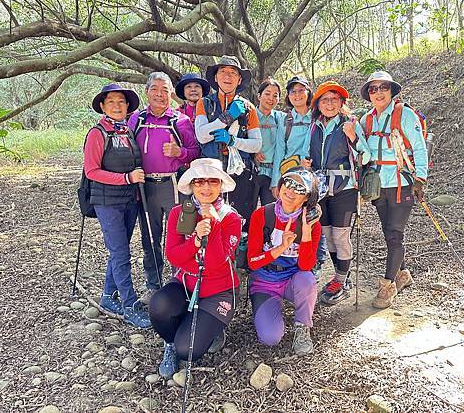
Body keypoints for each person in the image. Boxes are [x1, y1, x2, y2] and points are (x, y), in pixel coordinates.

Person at [148, 158, 242, 379]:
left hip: (218, 290)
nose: (206, 188)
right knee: (159, 306)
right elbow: (173, 255)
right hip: (185, 283)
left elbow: (216, 264)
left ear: (221, 185)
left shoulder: (231, 218)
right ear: (191, 185)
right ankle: (170, 342)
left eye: (212, 181)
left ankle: (213, 328)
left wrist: (214, 225)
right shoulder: (179, 213)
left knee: (188, 351)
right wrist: (196, 241)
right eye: (199, 182)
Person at [127, 72, 200, 304]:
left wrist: (180, 153)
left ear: (171, 94)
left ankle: (181, 284)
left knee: (183, 235)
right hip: (146, 187)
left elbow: (195, 152)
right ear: (147, 91)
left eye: (165, 90)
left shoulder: (181, 121)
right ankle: (154, 286)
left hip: (175, 184)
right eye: (155, 89)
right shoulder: (136, 120)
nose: (160, 94)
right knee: (150, 239)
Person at [83, 83, 151, 329]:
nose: (117, 105)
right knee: (121, 254)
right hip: (107, 202)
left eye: (121, 101)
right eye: (111, 101)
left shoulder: (126, 131)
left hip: (129, 200)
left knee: (119, 251)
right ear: (102, 106)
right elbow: (91, 171)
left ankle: (108, 296)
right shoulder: (96, 134)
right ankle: (129, 305)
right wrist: (126, 178)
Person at [359, 71, 428, 308]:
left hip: (402, 181)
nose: (378, 92)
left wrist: (420, 179)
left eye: (383, 87)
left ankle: (388, 285)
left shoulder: (405, 115)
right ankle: (403, 273)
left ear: (391, 90)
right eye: (373, 89)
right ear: (368, 94)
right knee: (388, 231)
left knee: (394, 232)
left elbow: (419, 148)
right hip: (378, 184)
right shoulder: (366, 120)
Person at [305, 81, 370, 305]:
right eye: (325, 100)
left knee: (341, 236)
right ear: (318, 105)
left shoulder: (349, 124)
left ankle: (341, 281)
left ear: (342, 103)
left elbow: (366, 155)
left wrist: (353, 136)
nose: (330, 104)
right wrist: (305, 163)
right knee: (328, 235)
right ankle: (341, 276)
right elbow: (307, 153)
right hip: (321, 188)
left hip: (345, 188)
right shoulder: (314, 126)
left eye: (334, 99)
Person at [247, 167, 322, 355]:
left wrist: (305, 232)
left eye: (300, 189)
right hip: (264, 282)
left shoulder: (312, 224)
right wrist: (279, 248)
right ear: (280, 186)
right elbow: (253, 262)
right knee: (270, 338)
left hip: (291, 279)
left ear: (307, 198)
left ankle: (302, 327)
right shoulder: (262, 215)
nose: (291, 191)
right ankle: (270, 306)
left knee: (307, 280)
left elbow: (306, 266)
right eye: (288, 183)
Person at [194, 55, 262, 227]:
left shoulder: (248, 108)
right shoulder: (204, 103)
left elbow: (256, 144)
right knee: (210, 219)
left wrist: (233, 141)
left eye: (233, 73)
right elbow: (201, 135)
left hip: (240, 171)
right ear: (216, 78)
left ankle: (239, 253)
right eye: (223, 71)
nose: (227, 76)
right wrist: (226, 118)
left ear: (239, 80)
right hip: (211, 171)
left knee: (239, 220)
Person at [271, 75, 328, 278]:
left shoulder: (318, 117)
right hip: (289, 177)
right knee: (290, 216)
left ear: (308, 93)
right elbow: (279, 150)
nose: (297, 95)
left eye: (300, 90)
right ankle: (291, 259)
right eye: (292, 91)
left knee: (311, 216)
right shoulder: (286, 120)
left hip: (312, 176)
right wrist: (274, 181)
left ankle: (316, 261)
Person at [253, 77, 284, 206]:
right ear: (259, 96)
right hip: (253, 171)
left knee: (271, 213)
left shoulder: (281, 118)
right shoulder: (249, 115)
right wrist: (253, 152)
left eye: (275, 95)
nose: (271, 98)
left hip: (272, 173)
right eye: (267, 94)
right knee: (247, 213)